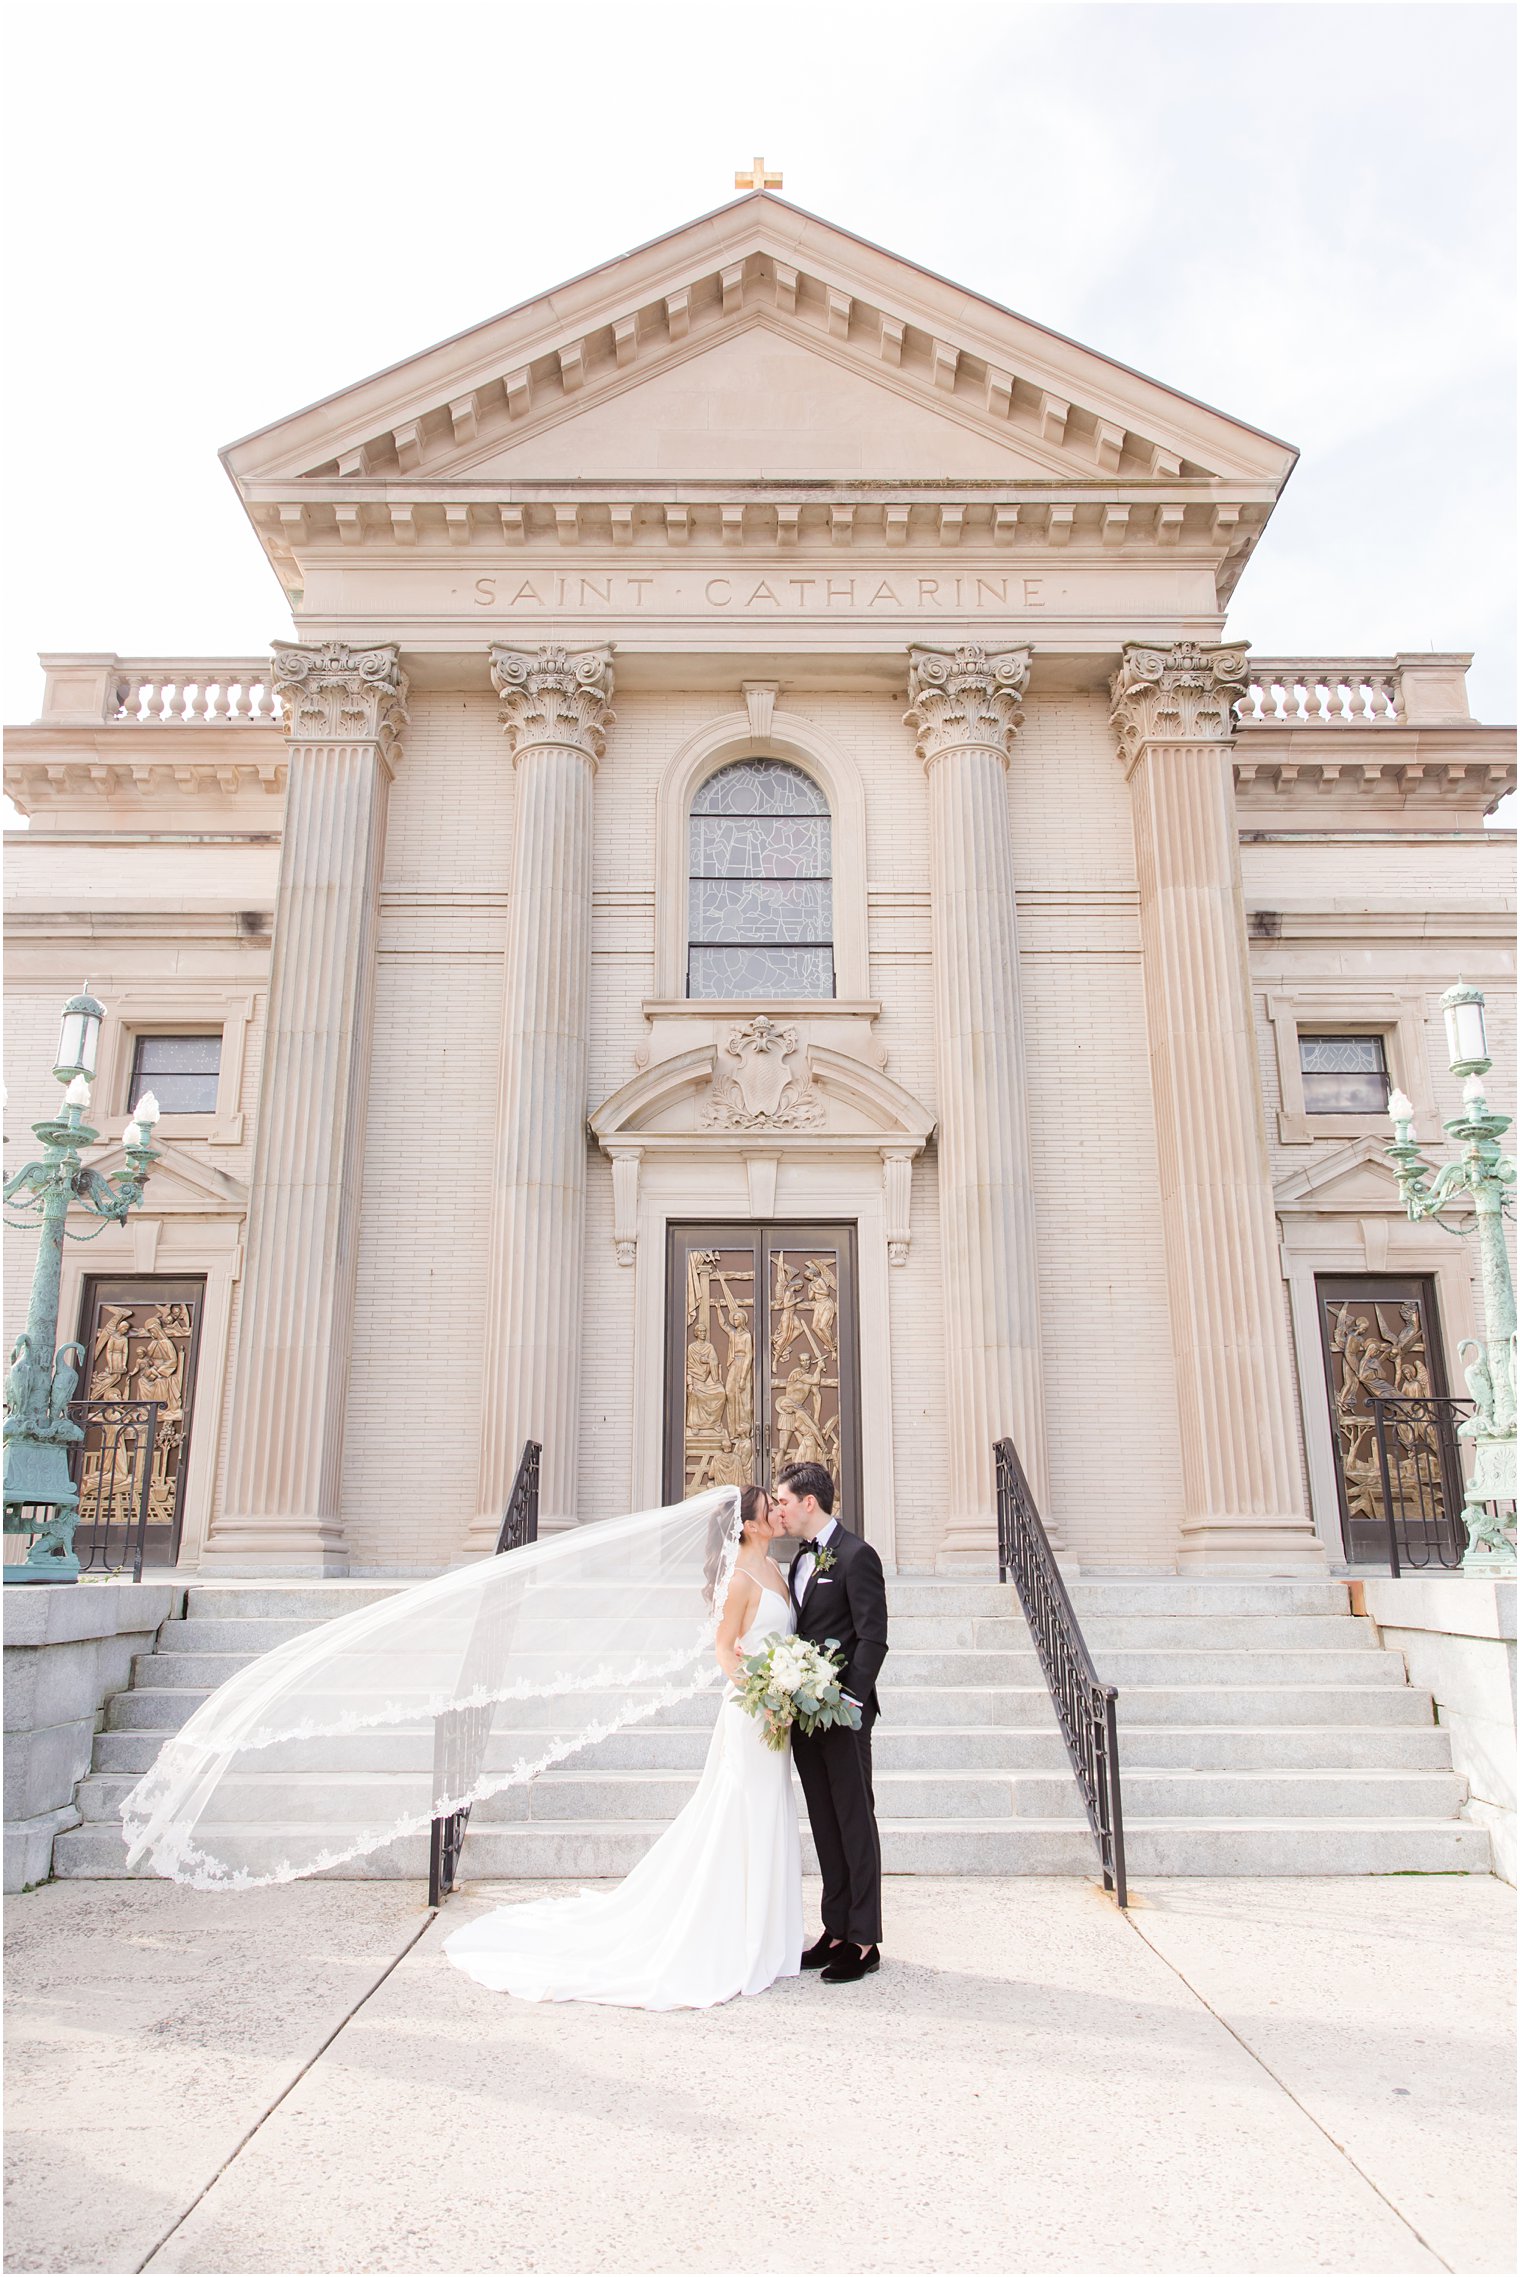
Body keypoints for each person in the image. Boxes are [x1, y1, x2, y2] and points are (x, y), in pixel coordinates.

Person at [443, 1484, 803, 2010]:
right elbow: (724, 1652)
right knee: (742, 1816)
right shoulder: (742, 1578)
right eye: (768, 1507)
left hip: (776, 1719)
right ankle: (734, 1934)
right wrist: (763, 1694)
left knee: (768, 1815)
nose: (777, 1510)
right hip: (752, 1717)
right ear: (748, 1525)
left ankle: (766, 1934)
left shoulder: (777, 1570)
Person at [772, 1460, 890, 1983]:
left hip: (842, 1714)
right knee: (823, 1821)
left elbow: (872, 1638)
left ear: (809, 1503)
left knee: (854, 1821)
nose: (779, 1509)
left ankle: (864, 1940)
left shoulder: (857, 1556)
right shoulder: (798, 1558)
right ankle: (835, 1928)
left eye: (783, 1501)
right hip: (804, 1714)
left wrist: (851, 1702)